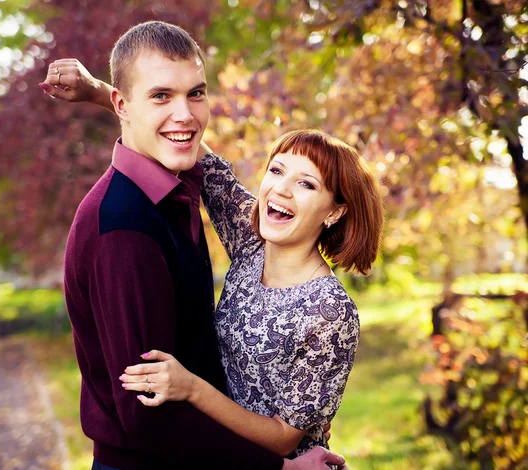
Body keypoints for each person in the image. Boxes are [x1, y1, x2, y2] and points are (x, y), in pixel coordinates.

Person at [56, 21, 351, 470]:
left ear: (335, 210)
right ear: (125, 105)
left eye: (196, 93)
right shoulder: (135, 230)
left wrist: (114, 97)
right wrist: (104, 92)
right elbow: (147, 414)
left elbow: (199, 155)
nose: (186, 114)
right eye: (276, 172)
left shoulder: (324, 304)